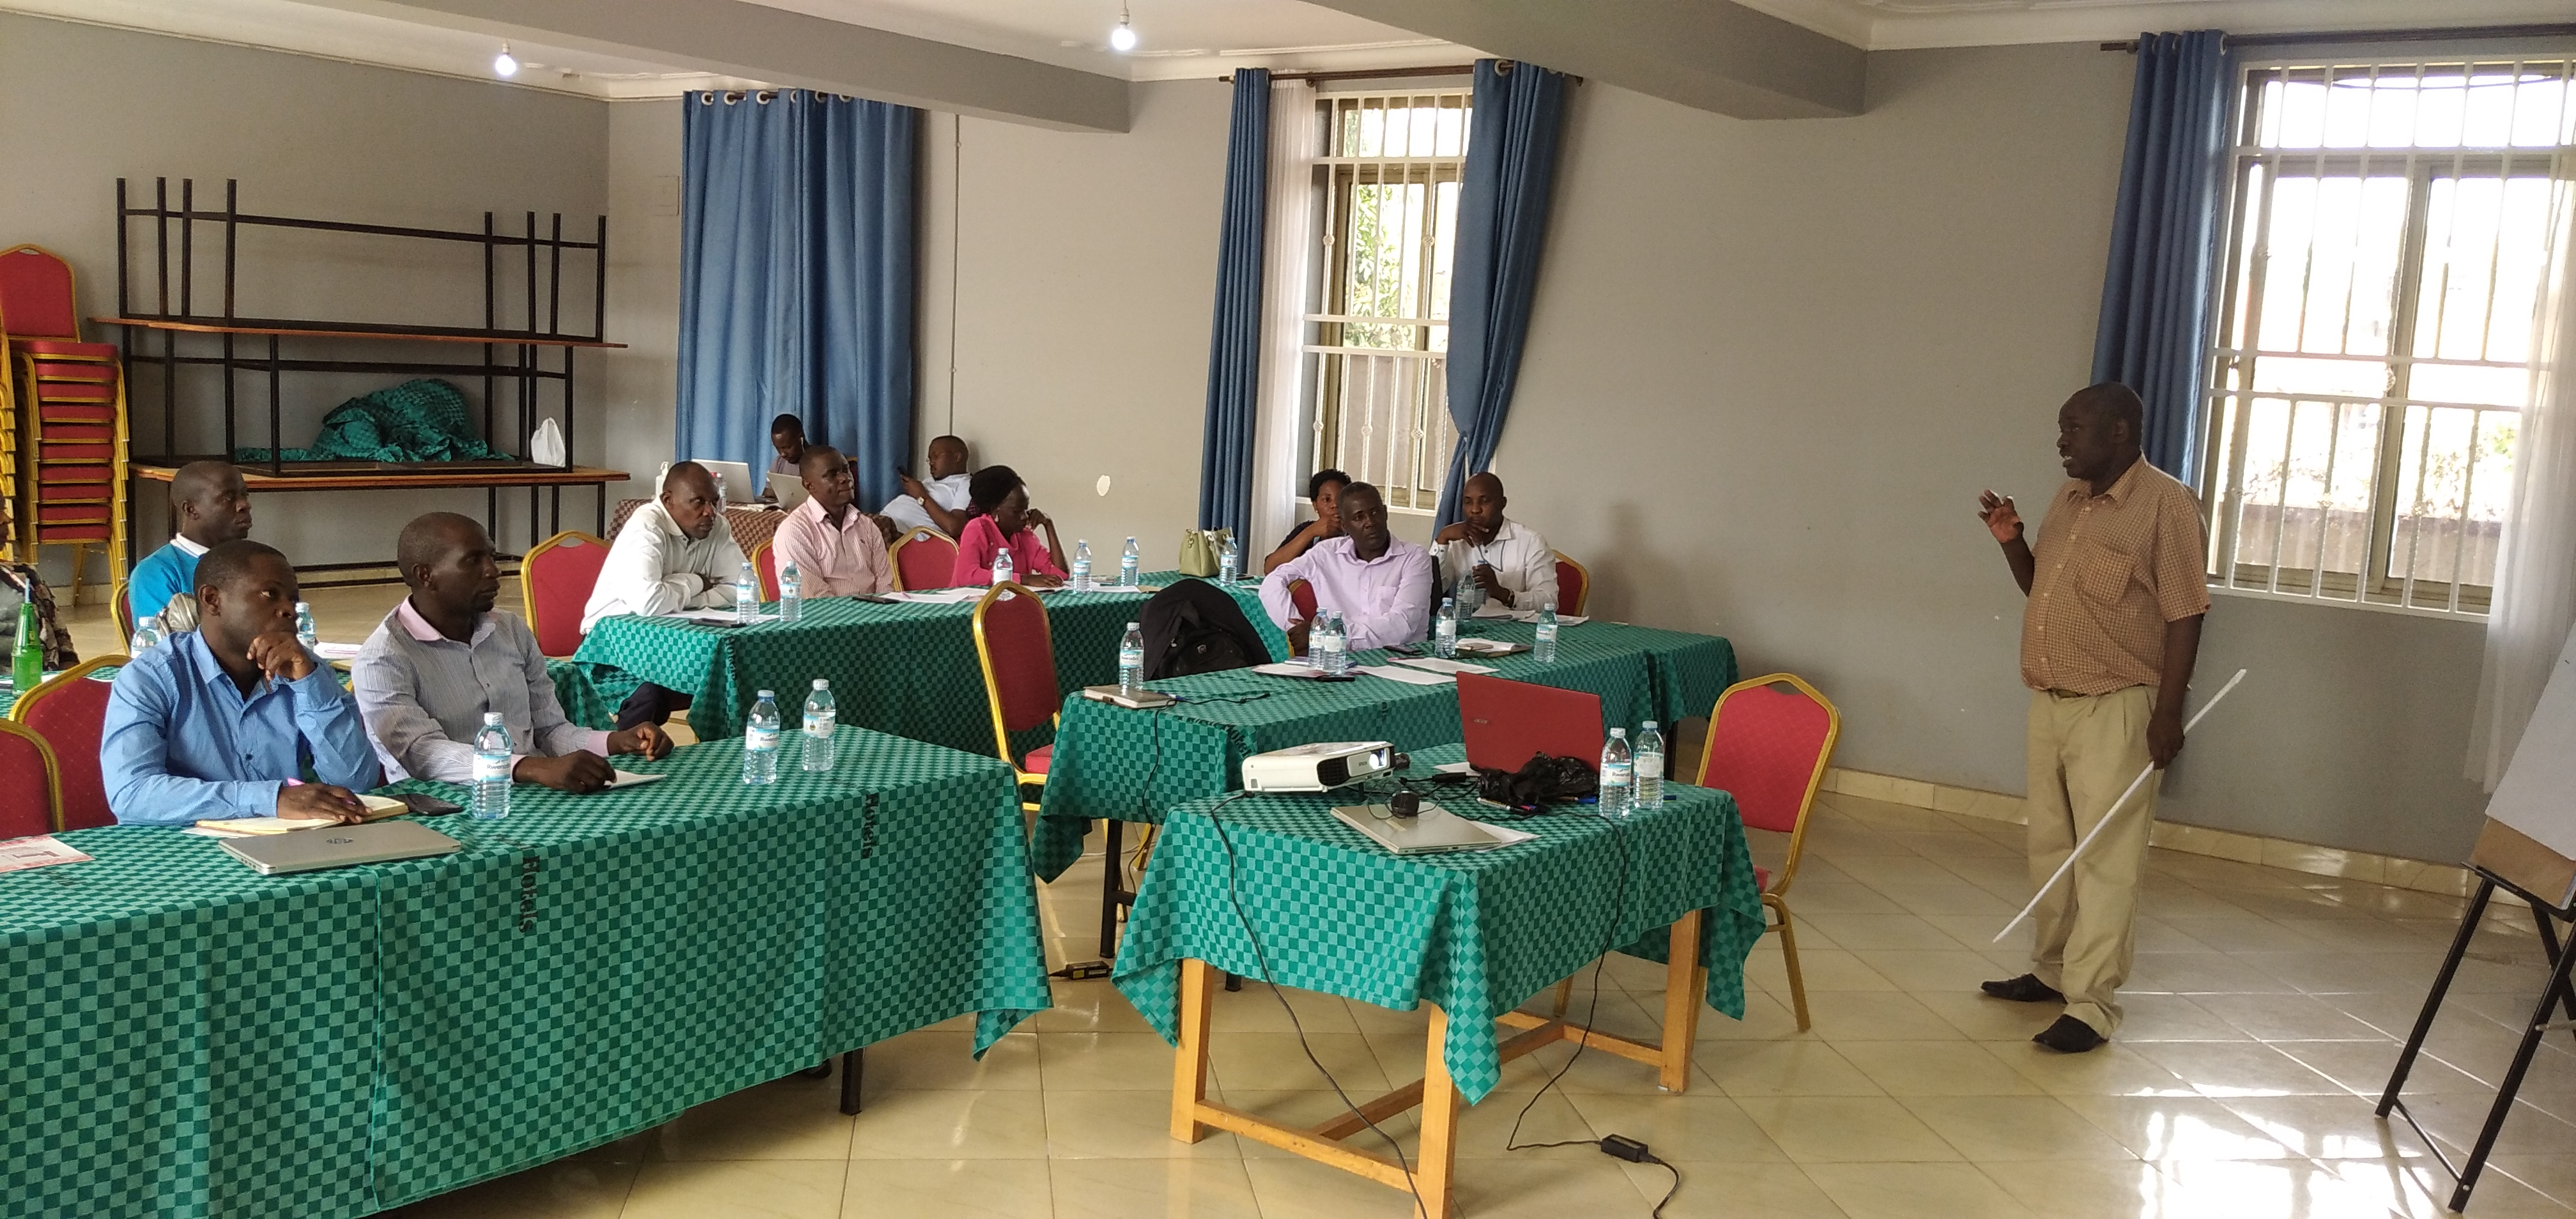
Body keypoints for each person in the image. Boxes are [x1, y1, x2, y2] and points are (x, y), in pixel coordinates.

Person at [1975, 382, 2207, 1055]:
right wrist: (2012, 543)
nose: (2061, 440)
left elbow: (2186, 612)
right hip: (2051, 701)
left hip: (2119, 706)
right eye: (2060, 427)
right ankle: (2050, 972)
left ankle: (2093, 1004)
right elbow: (2042, 587)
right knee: (2050, 846)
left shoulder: (2166, 505)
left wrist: (2168, 714)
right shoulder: (2071, 500)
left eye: (2073, 427)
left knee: (2107, 859)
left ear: (2121, 432)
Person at [354, 513, 671, 792]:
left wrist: (616, 741)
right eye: (473, 560)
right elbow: (422, 755)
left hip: (528, 793)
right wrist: (530, 768)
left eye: (492, 557)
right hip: (443, 805)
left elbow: (550, 730)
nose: (494, 571)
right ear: (426, 575)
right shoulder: (383, 658)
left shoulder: (511, 630)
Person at [100, 540, 380, 825]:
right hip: (181, 853)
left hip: (283, 847)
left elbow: (357, 781)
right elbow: (131, 794)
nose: (290, 611)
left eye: (293, 600)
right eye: (271, 594)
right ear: (212, 600)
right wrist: (271, 799)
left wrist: (310, 684)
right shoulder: (152, 677)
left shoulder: (304, 671)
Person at [584, 462, 747, 729]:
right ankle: (623, 762)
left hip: (678, 642)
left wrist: (680, 595)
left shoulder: (717, 526)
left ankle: (719, 761)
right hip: (611, 647)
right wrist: (696, 582)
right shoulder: (647, 525)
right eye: (698, 502)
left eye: (714, 502)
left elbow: (742, 589)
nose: (710, 512)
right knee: (651, 695)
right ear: (668, 501)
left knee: (735, 681)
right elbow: (649, 602)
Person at [1258, 480, 1434, 654]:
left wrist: (1327, 635)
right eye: (1359, 517)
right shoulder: (1326, 554)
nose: (1370, 522)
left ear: (1385, 513)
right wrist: (1295, 626)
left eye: (1375, 513)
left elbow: (1402, 624)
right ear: (1344, 525)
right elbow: (1274, 580)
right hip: (1338, 661)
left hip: (1401, 662)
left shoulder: (1414, 558)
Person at [128, 459, 252, 626]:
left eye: (245, 495)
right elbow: (165, 647)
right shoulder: (157, 573)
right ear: (191, 510)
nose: (244, 505)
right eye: (228, 498)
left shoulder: (254, 561)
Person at [770, 446, 893, 597]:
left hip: (875, 616)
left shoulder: (867, 526)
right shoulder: (795, 531)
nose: (845, 478)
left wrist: (883, 615)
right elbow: (815, 599)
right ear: (809, 486)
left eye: (845, 470)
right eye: (832, 475)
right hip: (825, 618)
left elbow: (886, 587)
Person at [1432, 473, 1558, 611]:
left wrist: (1501, 593)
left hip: (1515, 629)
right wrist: (1442, 539)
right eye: (1468, 502)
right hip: (1467, 628)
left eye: (1484, 501)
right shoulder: (1456, 541)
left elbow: (1548, 601)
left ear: (1502, 503)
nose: (1475, 510)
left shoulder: (1531, 542)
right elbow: (1429, 592)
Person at [950, 465, 1066, 588]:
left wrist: (1048, 524)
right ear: (995, 510)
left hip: (1009, 603)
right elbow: (968, 576)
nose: (1024, 517)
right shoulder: (977, 528)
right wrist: (1023, 579)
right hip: (968, 605)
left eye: (1026, 509)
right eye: (1017, 511)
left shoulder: (1023, 535)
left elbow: (1060, 575)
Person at [0, 493, 75, 671]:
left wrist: (72, 684)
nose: (7, 519)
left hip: (45, 686)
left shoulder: (25, 575)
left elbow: (63, 644)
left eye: (3, 509)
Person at [882, 434, 972, 538]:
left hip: (902, 534)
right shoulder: (929, 481)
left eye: (936, 456)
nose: (932, 463)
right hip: (885, 522)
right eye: (929, 459)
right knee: (861, 523)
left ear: (957, 457)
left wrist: (921, 496)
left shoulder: (966, 484)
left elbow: (953, 527)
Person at [1264, 469, 1349, 574]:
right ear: (1315, 505)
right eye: (1327, 500)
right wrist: (1310, 532)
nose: (1335, 505)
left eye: (1340, 499)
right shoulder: (1306, 529)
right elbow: (1270, 569)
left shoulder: (1356, 534)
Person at [767, 413, 809, 477]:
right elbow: (769, 486)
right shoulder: (778, 463)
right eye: (778, 448)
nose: (782, 454)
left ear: (801, 438)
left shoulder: (818, 464)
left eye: (787, 447)